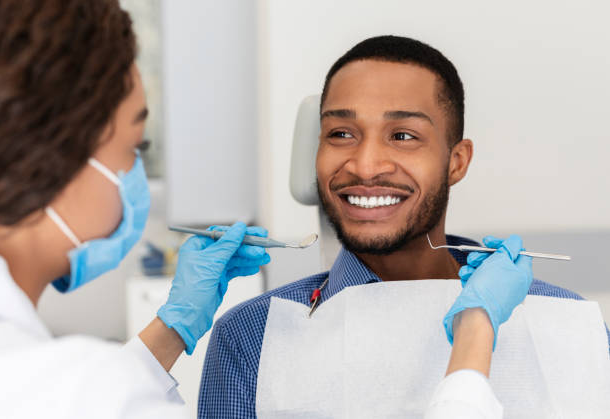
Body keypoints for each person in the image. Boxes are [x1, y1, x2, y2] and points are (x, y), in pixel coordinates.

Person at [198, 35, 610, 418]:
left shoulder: (566, 325)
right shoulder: (251, 339)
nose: (365, 165)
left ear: (457, 162)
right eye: (341, 133)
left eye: (402, 135)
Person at [0, 1, 269, 418]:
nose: (135, 173)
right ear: (59, 155)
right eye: (134, 148)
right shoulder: (78, 390)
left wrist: (174, 327)